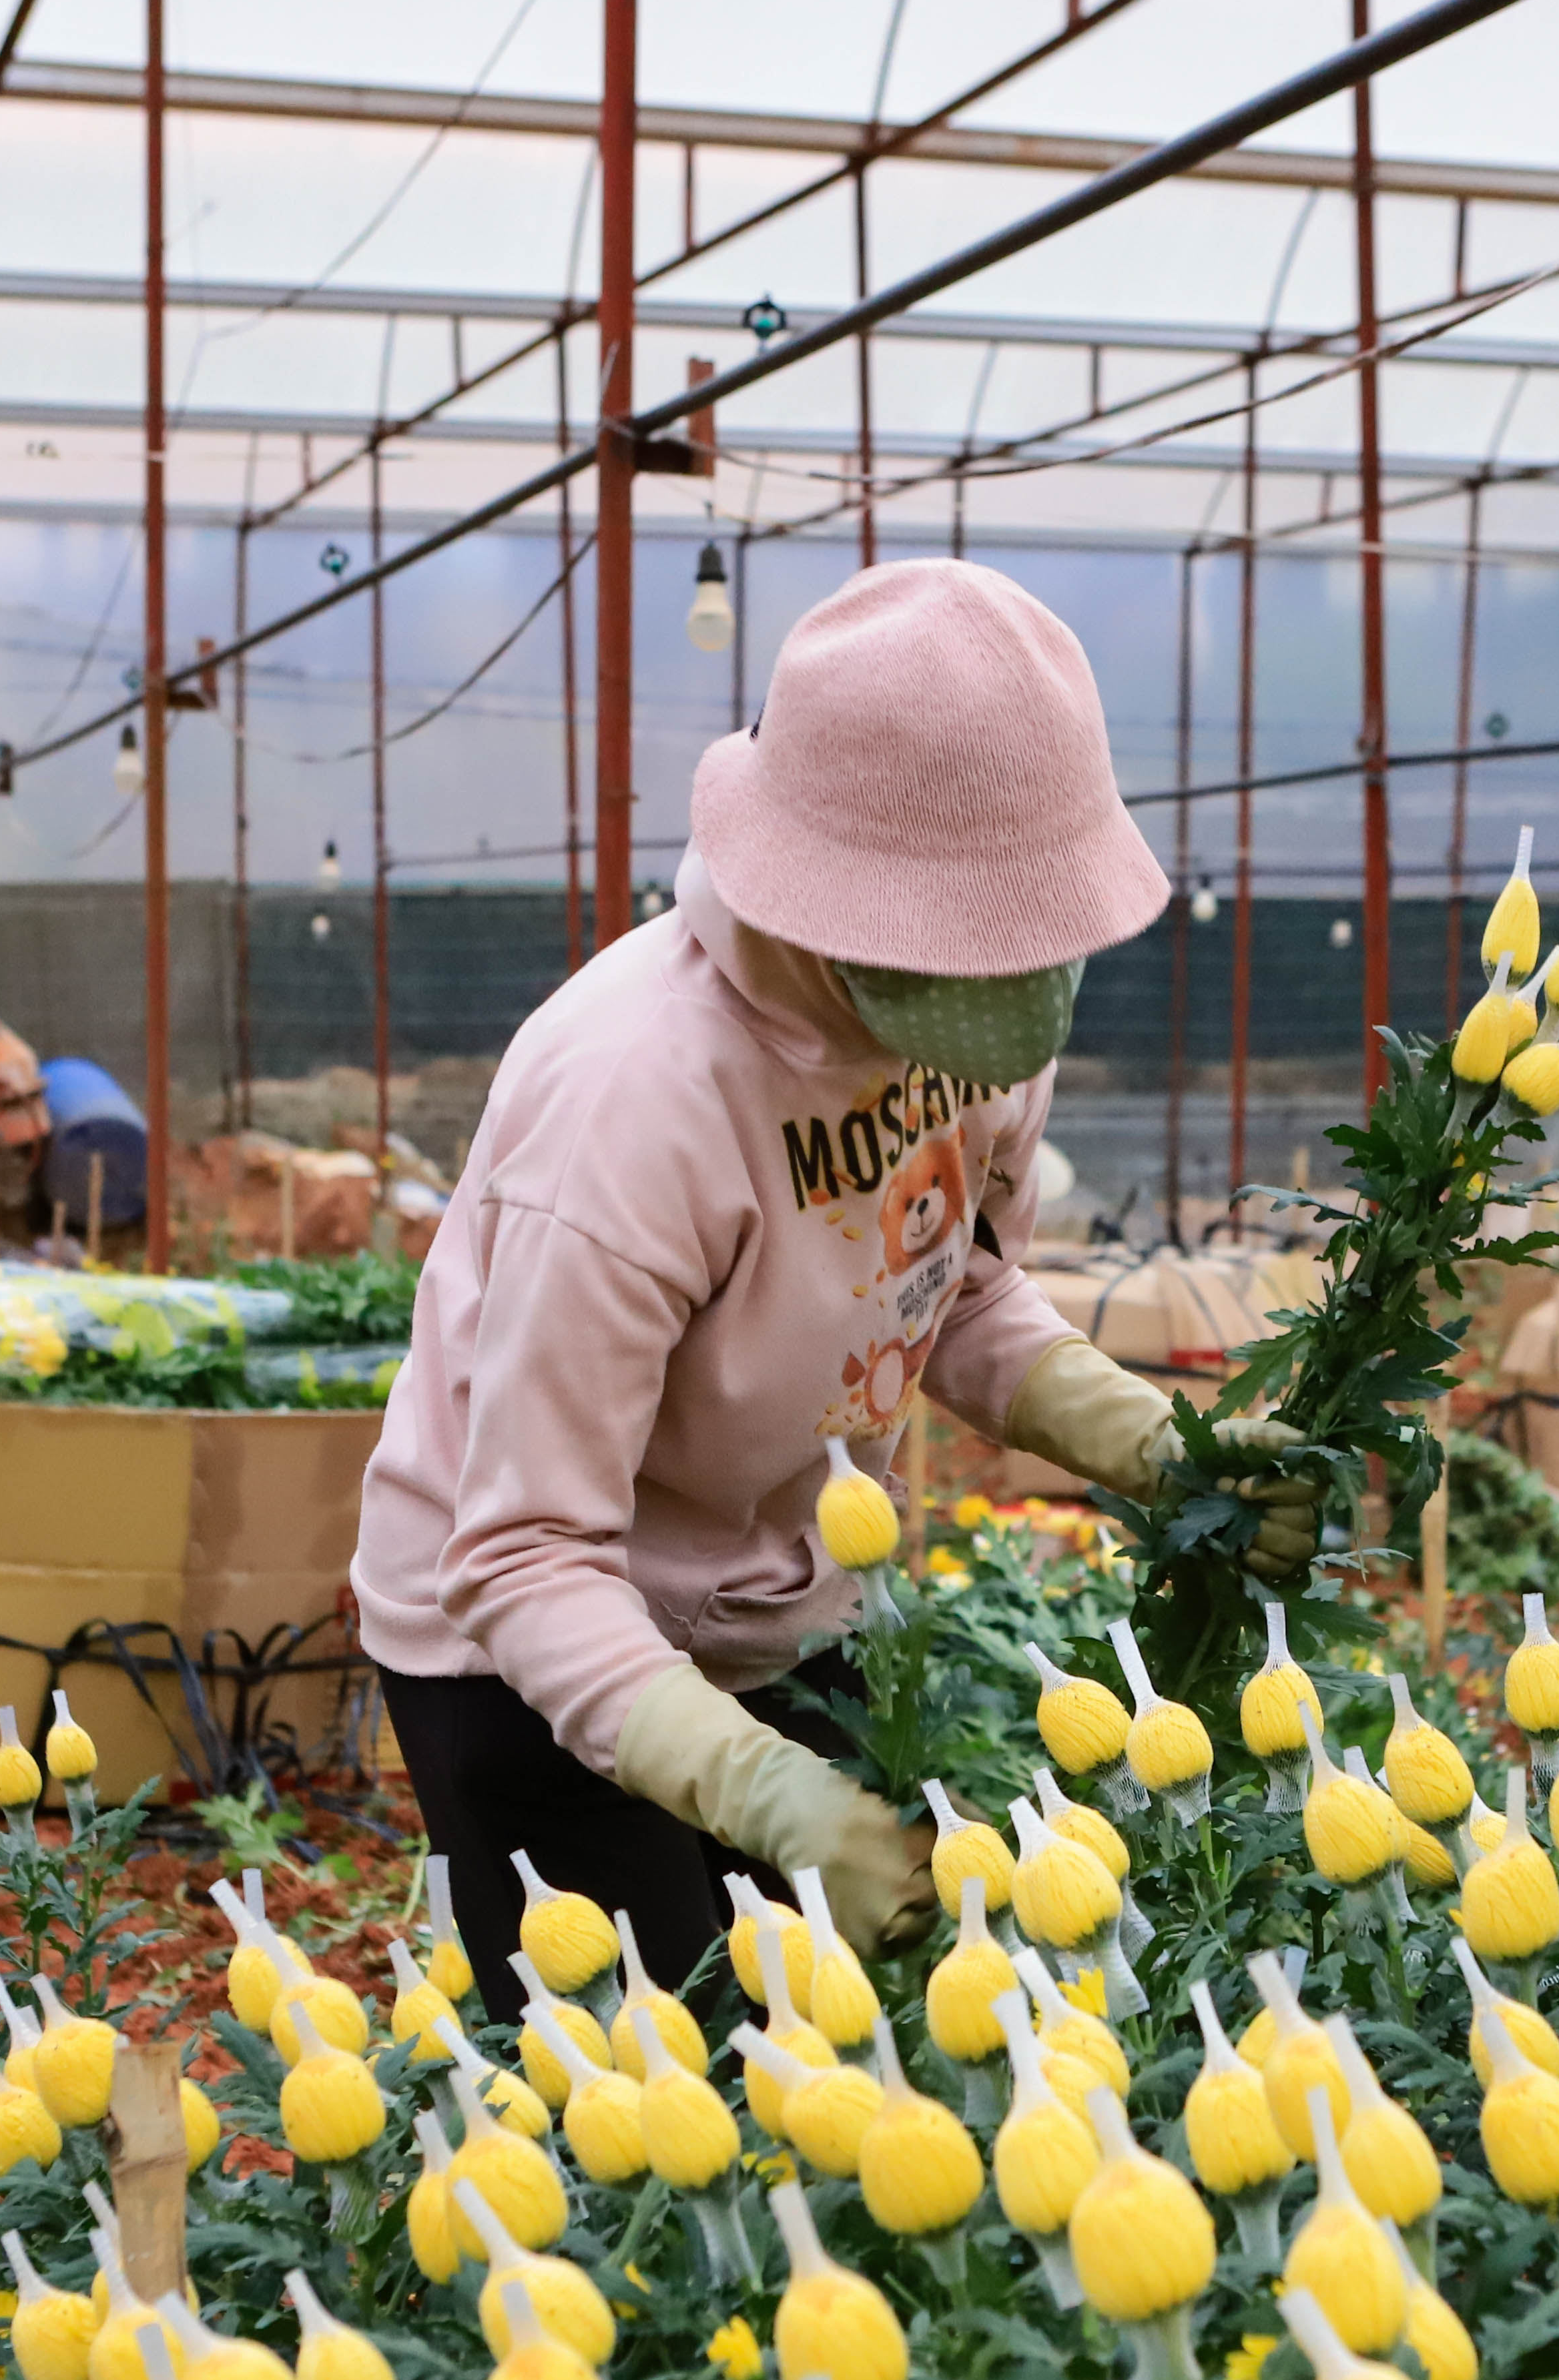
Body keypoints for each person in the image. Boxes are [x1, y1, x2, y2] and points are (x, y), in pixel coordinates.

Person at [353, 559, 1315, 2004]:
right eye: (962, 936)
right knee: (658, 2110)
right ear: (818, 894)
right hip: (522, 1650)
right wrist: (759, 1790)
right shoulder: (634, 1103)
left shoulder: (987, 1015)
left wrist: (1148, 1444)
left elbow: (952, 1288)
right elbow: (522, 1557)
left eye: (1026, 932)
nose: (1009, 990)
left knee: (864, 2048)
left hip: (781, 1607)